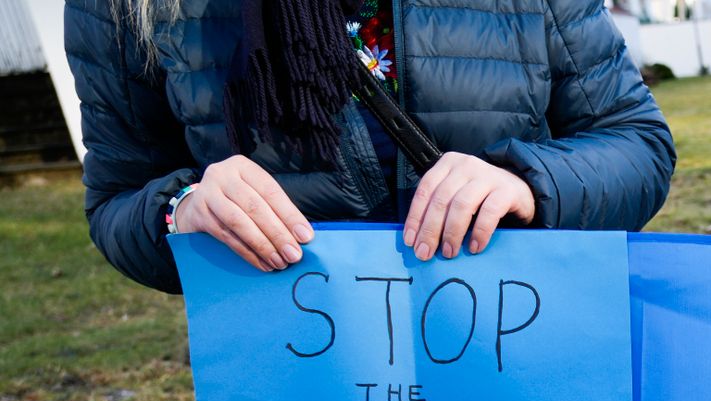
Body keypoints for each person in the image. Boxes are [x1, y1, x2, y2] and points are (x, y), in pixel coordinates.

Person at [66, 0, 675, 293]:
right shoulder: (121, 8)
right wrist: (183, 212)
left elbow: (637, 143)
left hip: (522, 356)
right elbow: (118, 201)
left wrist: (527, 182)